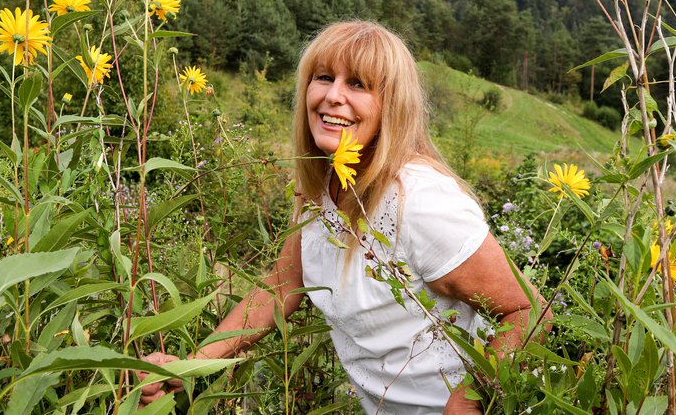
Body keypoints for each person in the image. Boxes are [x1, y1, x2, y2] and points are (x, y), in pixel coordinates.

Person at [141, 21, 550, 413]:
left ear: (392, 105)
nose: (333, 96)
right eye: (323, 77)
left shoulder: (422, 202)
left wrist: (470, 398)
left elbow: (530, 312)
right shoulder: (323, 183)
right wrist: (191, 364)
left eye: (357, 84)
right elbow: (285, 283)